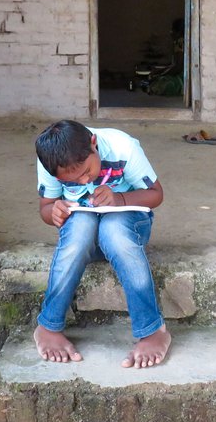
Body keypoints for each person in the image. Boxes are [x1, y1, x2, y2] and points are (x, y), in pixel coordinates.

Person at [33, 119, 171, 369]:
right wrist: (54, 211)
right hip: (83, 237)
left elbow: (156, 194)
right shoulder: (50, 160)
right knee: (81, 227)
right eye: (72, 181)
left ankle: (152, 330)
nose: (85, 182)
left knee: (113, 230)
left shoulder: (123, 147)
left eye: (86, 171)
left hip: (126, 228)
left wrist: (119, 198)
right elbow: (45, 208)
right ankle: (48, 326)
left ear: (93, 144)